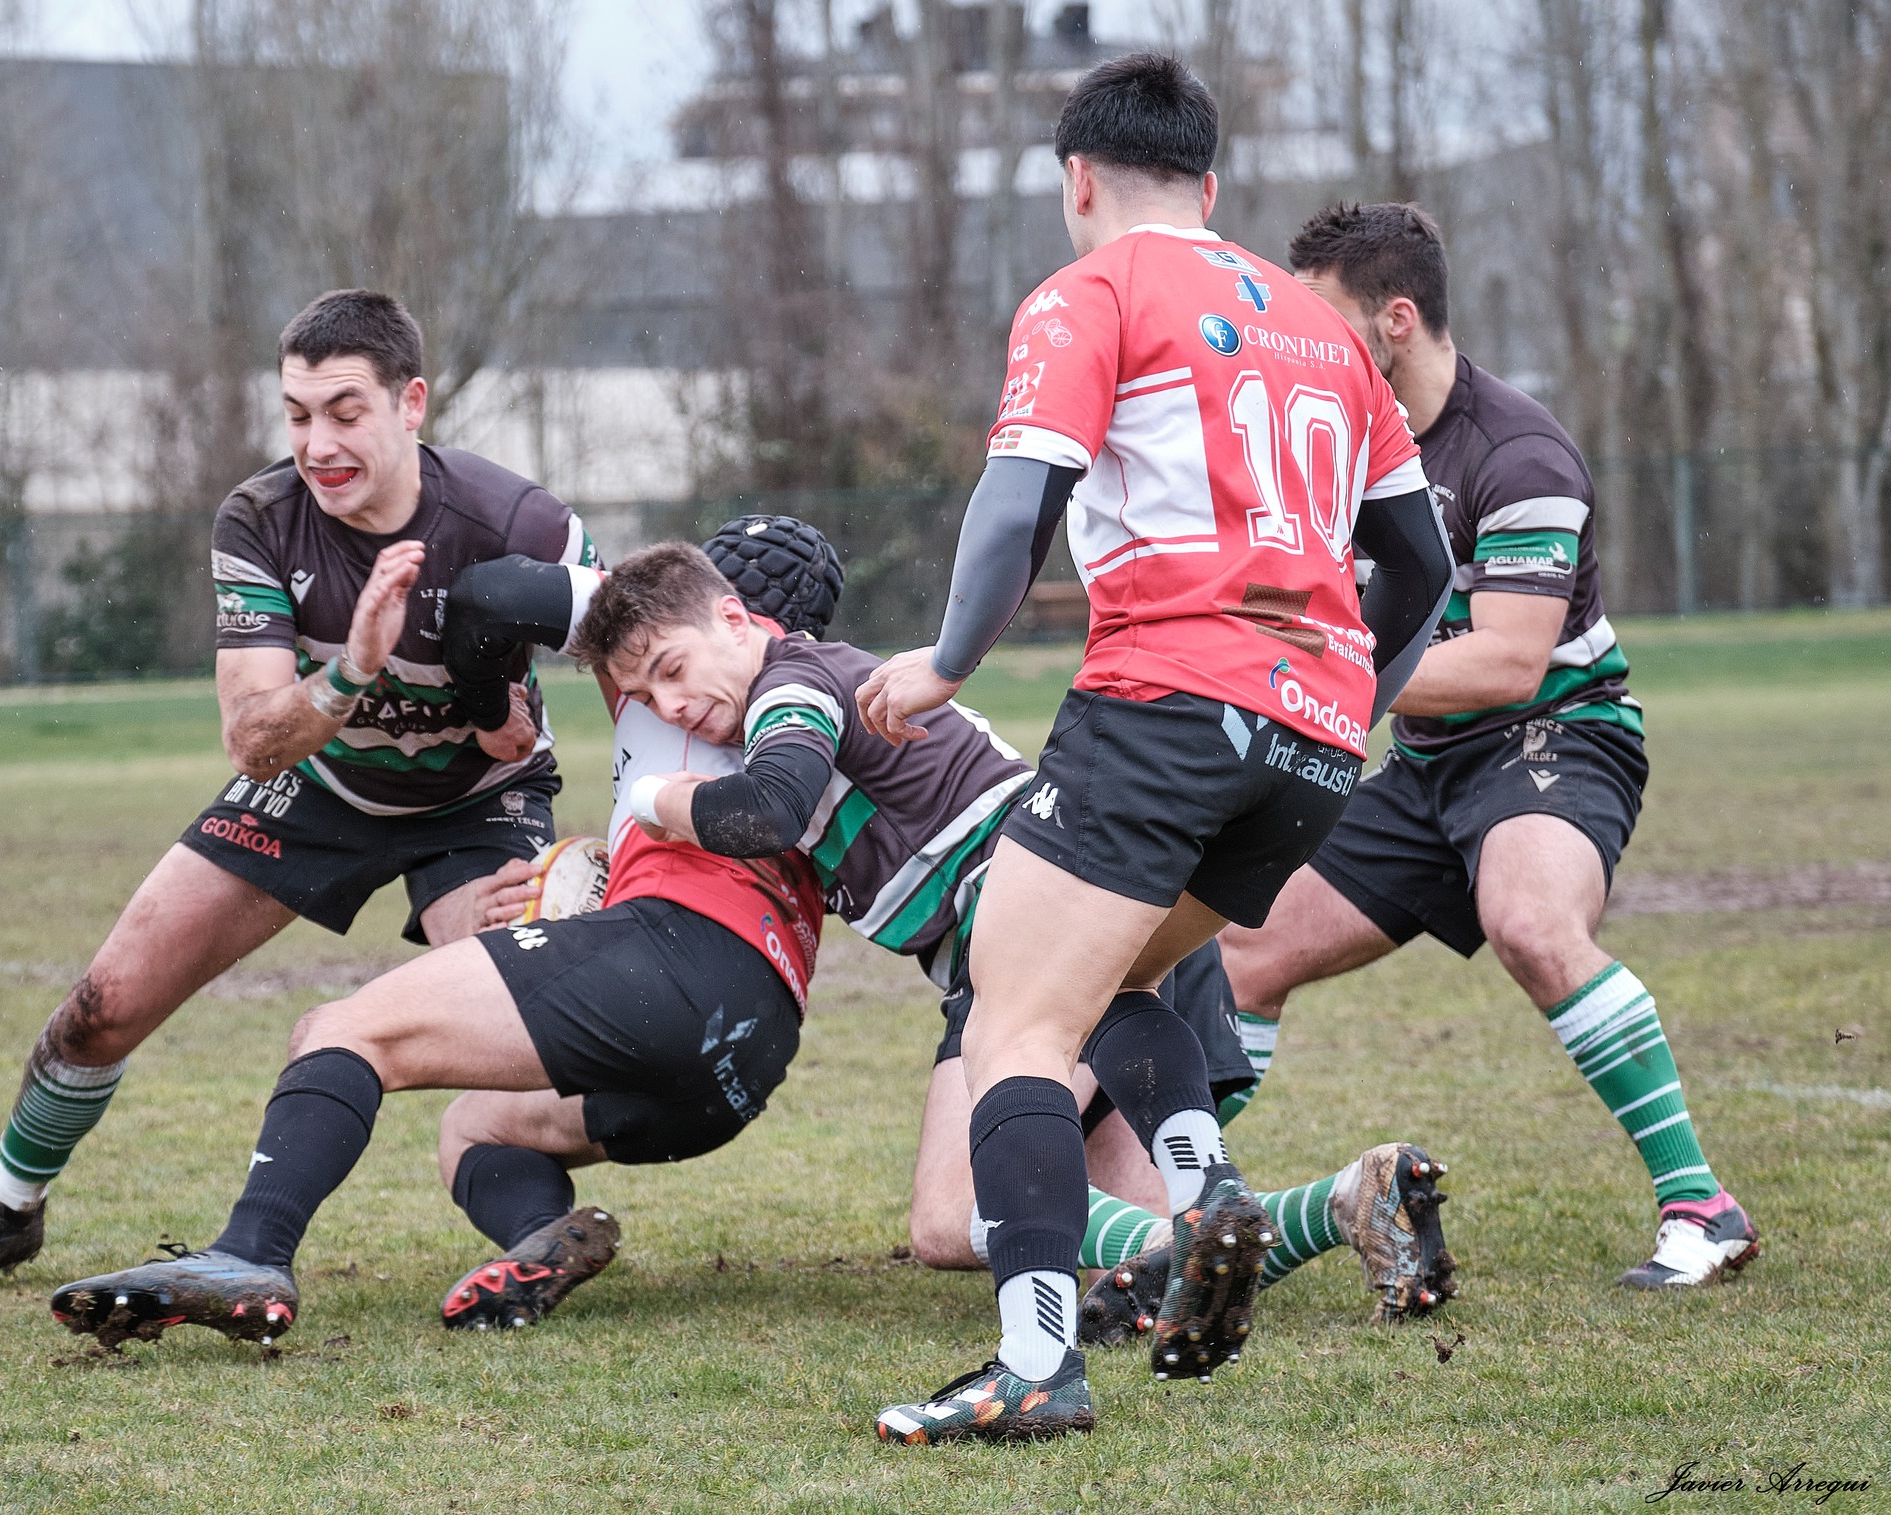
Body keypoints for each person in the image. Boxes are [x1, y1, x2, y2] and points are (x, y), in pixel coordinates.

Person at [852, 54, 1454, 1441]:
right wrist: (1347, 700)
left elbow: (1012, 514)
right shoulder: (1317, 326)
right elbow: (1419, 563)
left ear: (1077, 178)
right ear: (1213, 185)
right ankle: (1205, 1180)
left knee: (1012, 1007)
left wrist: (942, 666)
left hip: (1167, 698)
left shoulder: (1091, 291)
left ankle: (1034, 1361)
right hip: (1305, 739)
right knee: (1130, 958)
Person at [571, 540, 1451, 1366]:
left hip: (1036, 934)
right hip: (1112, 934)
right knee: (1149, 1244)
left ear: (735, 619)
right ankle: (1350, 1200)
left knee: (955, 1215)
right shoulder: (810, 686)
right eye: (645, 701)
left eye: (671, 672)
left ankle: (1053, 1355)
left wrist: (651, 795)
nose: (672, 706)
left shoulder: (790, 686)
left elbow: (764, 808)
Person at [0, 290, 596, 1293]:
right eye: (298, 414)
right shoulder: (260, 520)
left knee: (533, 1036)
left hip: (479, 802)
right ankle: (6, 1210)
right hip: (312, 789)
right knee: (102, 1006)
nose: (318, 442)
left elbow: (635, 652)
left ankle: (541, 1233)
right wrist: (350, 672)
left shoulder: (518, 520)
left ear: (411, 404)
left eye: (344, 411)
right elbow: (256, 743)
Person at [46, 536, 829, 1346]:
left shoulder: (672, 640)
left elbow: (489, 595)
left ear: (730, 608)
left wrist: (491, 709)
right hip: (747, 1055)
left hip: (679, 957)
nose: (660, 694)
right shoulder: (818, 714)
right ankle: (542, 1235)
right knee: (475, 1128)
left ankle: (248, 1253)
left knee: (339, 1030)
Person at [1213, 202, 1758, 1290]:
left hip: (1555, 732)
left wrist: (1311, 674)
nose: (1296, 340)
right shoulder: (1336, 447)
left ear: (1395, 320)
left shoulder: (1517, 454)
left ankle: (1702, 1206)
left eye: (1318, 317)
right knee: (1242, 951)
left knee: (1529, 922)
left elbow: (1510, 661)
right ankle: (1205, 1223)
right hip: (1424, 762)